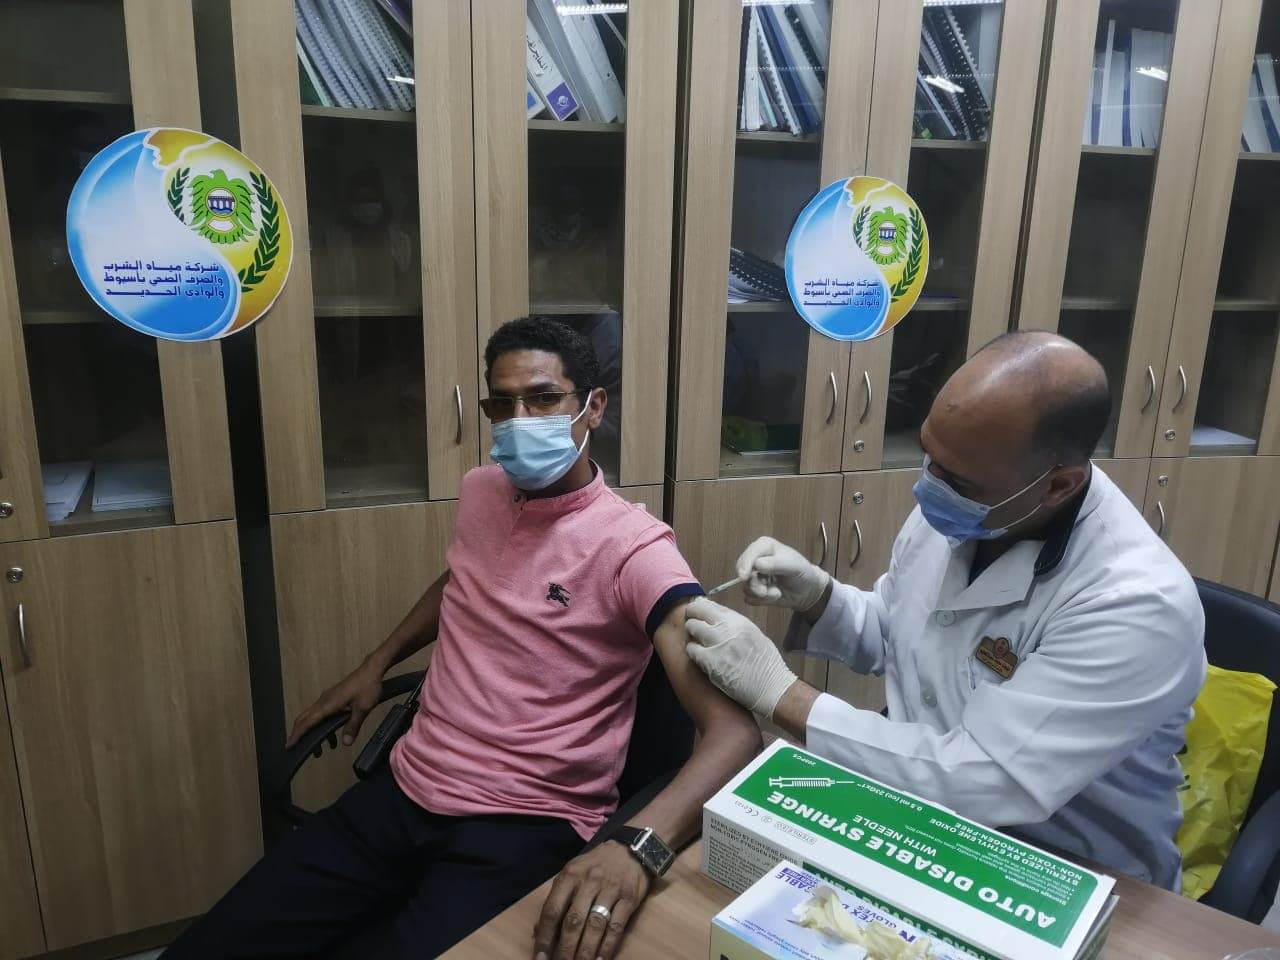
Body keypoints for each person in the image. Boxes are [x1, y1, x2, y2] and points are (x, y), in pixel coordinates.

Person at [164, 318, 761, 959]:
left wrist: (639, 846)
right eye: (502, 404)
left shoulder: (635, 549)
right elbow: (464, 578)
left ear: (593, 407)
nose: (519, 420)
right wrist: (375, 662)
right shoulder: (483, 491)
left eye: (543, 398)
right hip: (406, 788)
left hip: (524, 822)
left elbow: (734, 734)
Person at [684, 331, 1206, 891]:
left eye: (955, 479)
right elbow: (907, 633)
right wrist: (820, 597)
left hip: (1064, 871)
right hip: (924, 824)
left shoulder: (1138, 604)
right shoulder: (972, 504)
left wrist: (781, 694)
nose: (929, 486)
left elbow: (981, 777)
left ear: (1057, 485)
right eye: (929, 456)